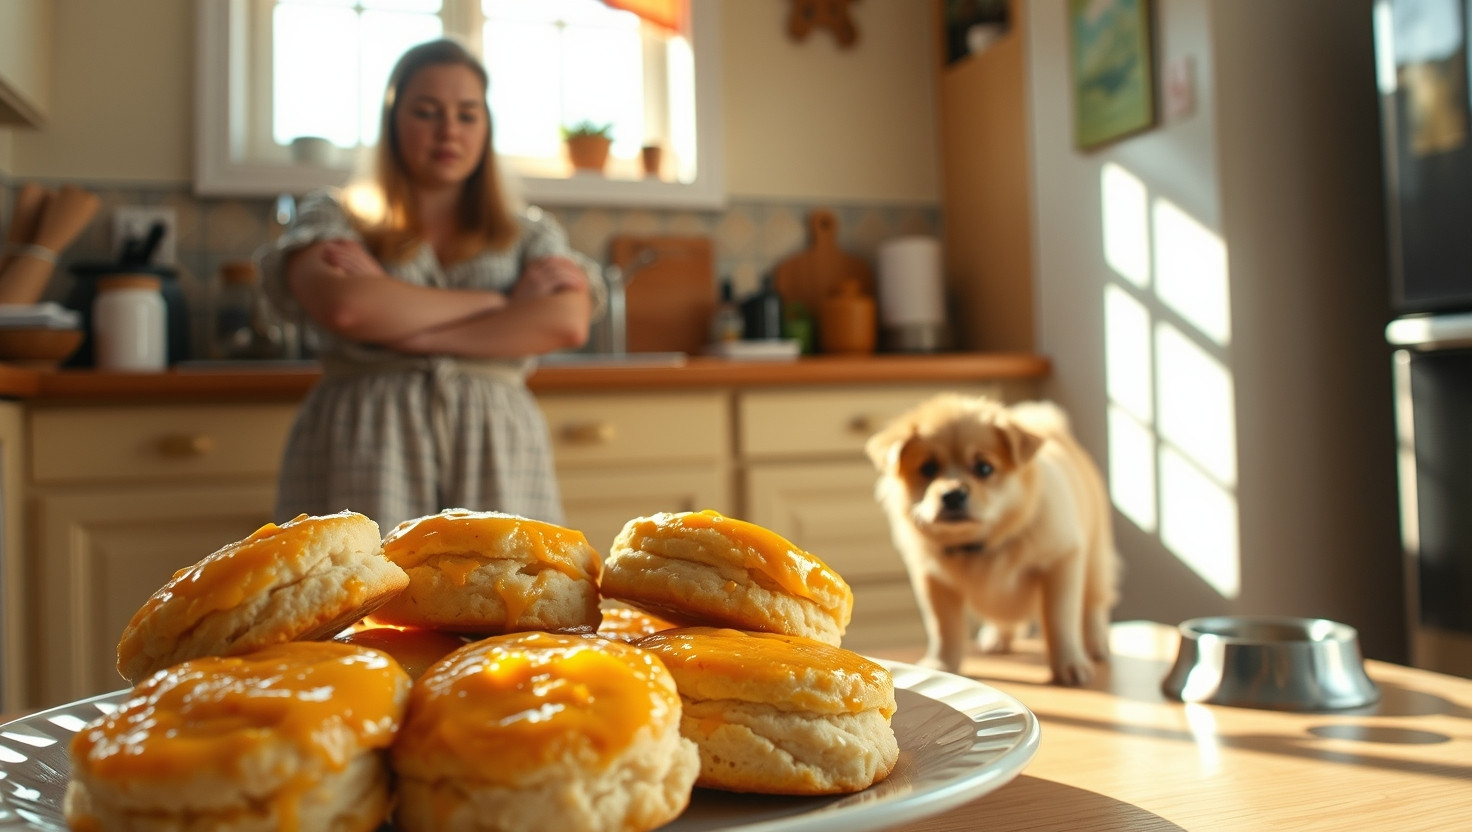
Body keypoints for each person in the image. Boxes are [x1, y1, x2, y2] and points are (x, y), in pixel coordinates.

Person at [257, 38, 600, 531]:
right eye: (426, 112)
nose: (448, 131)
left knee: (507, 596)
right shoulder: (334, 216)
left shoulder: (530, 232)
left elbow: (566, 321)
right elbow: (349, 308)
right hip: (366, 437)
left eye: (467, 114)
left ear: (486, 127)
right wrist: (500, 303)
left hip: (497, 444)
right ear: (393, 123)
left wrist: (400, 322)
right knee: (361, 595)